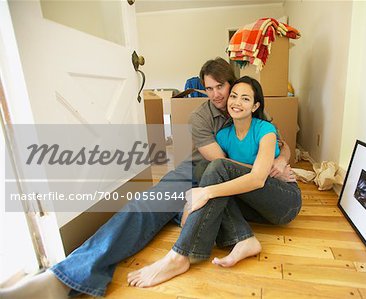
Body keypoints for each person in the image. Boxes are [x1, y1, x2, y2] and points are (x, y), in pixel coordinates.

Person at [0, 59, 294, 298]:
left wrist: (278, 161)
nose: (218, 95)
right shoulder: (202, 118)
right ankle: (63, 279)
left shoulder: (253, 113)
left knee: (192, 208)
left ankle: (189, 235)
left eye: (222, 86)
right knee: (142, 207)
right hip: (194, 173)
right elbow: (219, 163)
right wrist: (260, 166)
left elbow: (283, 144)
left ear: (235, 86)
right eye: (209, 88)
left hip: (225, 184)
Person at [127, 76, 302, 288]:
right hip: (255, 207)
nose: (237, 102)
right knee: (207, 170)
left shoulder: (265, 130)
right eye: (234, 96)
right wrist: (203, 193)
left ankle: (179, 256)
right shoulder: (224, 135)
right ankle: (244, 238)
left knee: (218, 170)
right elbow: (225, 174)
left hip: (283, 201)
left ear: (255, 105)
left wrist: (205, 193)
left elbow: (257, 179)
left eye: (245, 99)